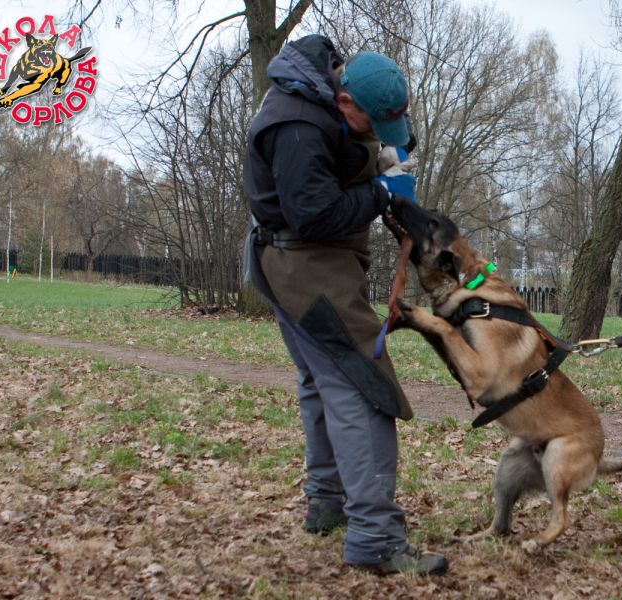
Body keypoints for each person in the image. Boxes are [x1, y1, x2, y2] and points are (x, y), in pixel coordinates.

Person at [243, 34, 448, 576]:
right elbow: (313, 214)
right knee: (364, 387)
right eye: (371, 126)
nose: (376, 136)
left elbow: (385, 138)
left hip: (299, 262)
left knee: (321, 381)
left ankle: (328, 502)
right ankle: (375, 538)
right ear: (343, 100)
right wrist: (382, 192)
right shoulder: (297, 127)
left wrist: (391, 155)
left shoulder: (332, 88)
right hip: (302, 265)